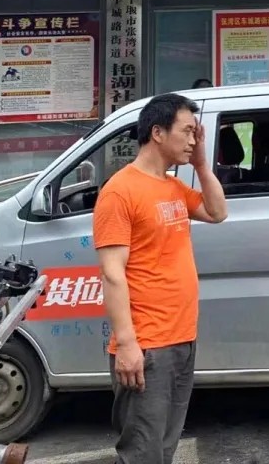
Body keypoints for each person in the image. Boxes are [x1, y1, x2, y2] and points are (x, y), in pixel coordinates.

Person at [93, 94, 228, 464]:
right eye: (186, 131)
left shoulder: (171, 187)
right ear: (157, 132)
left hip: (181, 337)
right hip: (148, 345)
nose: (193, 140)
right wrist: (127, 344)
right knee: (143, 451)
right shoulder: (120, 191)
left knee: (165, 446)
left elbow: (218, 212)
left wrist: (201, 164)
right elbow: (112, 273)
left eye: (195, 133)